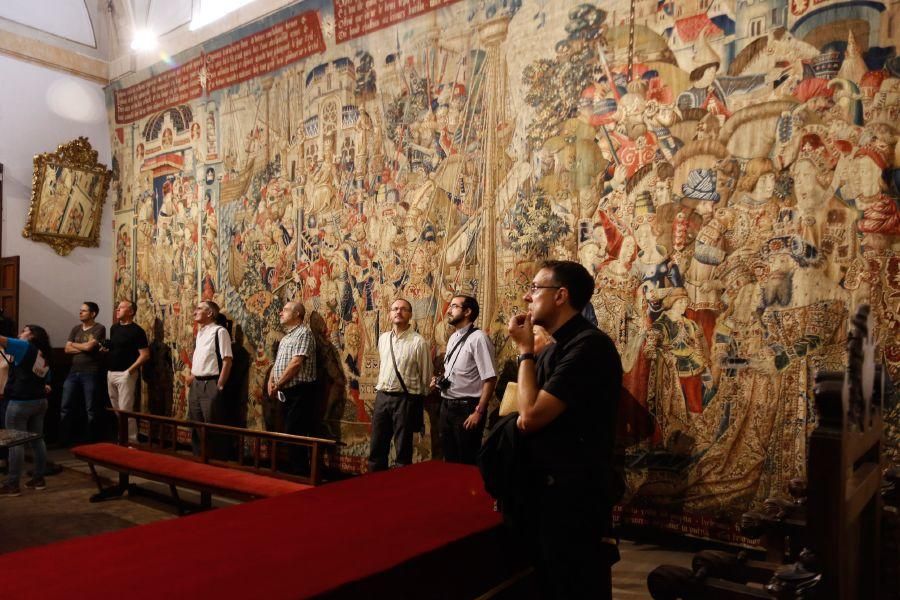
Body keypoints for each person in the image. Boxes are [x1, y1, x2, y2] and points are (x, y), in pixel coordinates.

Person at [507, 260, 623, 599]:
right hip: (548, 490)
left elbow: (529, 416)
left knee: (573, 584)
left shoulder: (588, 346)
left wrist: (525, 351)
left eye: (535, 288)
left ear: (560, 296)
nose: (528, 297)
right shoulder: (558, 348)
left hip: (574, 496)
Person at [368, 298, 432, 471]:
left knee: (403, 450)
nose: (398, 312)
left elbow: (426, 376)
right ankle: (373, 489)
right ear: (389, 314)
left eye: (403, 309)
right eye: (395, 308)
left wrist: (416, 400)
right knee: (376, 447)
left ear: (410, 315)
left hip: (405, 399)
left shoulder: (418, 342)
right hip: (382, 397)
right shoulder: (383, 339)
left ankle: (400, 492)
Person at [433, 295, 496, 464]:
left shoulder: (479, 338)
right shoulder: (453, 337)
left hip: (467, 408)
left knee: (466, 460)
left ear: (467, 311)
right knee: (450, 458)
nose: (448, 311)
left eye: (454, 306)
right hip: (447, 406)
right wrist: (440, 380)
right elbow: (455, 371)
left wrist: (478, 412)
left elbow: (490, 378)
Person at [0, 325, 52, 496]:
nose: (20, 333)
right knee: (37, 440)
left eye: (25, 330)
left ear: (32, 335)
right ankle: (39, 478)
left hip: (20, 402)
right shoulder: (42, 352)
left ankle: (12, 484)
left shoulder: (24, 346)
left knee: (15, 443)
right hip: (39, 401)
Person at [268, 301, 317, 472]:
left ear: (297, 314)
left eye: (286, 310)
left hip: (300, 392)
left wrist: (278, 383)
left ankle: (300, 474)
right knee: (286, 432)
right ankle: (291, 471)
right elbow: (278, 363)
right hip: (285, 391)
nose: (281, 312)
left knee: (295, 433)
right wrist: (271, 381)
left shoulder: (303, 333)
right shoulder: (287, 337)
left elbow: (296, 363)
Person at [187, 300, 232, 455]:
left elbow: (227, 360)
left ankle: (214, 461)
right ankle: (198, 458)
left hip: (211, 383)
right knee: (196, 424)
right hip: (196, 384)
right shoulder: (200, 333)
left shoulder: (220, 332)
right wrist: (192, 375)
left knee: (211, 425)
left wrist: (219, 386)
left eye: (199, 309)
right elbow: (201, 357)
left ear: (210, 313)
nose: (195, 312)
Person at [59, 302, 106, 444]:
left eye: (84, 311)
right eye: (80, 310)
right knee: (65, 406)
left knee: (90, 407)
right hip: (73, 372)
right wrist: (84, 347)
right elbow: (67, 349)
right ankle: (64, 438)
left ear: (93, 314)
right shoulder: (75, 329)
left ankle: (90, 440)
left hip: (90, 372)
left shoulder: (99, 328)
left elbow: (90, 347)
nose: (80, 313)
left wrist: (75, 344)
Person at [104, 300, 150, 442]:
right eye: (117, 308)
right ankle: (121, 438)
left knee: (126, 410)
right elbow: (116, 349)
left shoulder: (137, 331)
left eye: (121, 308)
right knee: (117, 410)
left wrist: (129, 372)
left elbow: (145, 355)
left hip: (125, 374)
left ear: (131, 311)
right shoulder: (114, 328)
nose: (117, 310)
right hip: (111, 372)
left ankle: (131, 441)